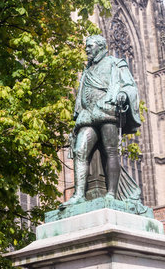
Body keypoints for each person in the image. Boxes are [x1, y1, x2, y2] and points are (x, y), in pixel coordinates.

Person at [60, 35, 141, 208]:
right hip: (88, 115)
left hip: (107, 111)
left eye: (90, 46)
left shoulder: (115, 63)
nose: (87, 49)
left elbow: (129, 86)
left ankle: (111, 193)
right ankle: (79, 194)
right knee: (80, 150)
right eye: (86, 47)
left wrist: (123, 94)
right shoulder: (87, 69)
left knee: (110, 151)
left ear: (101, 46)